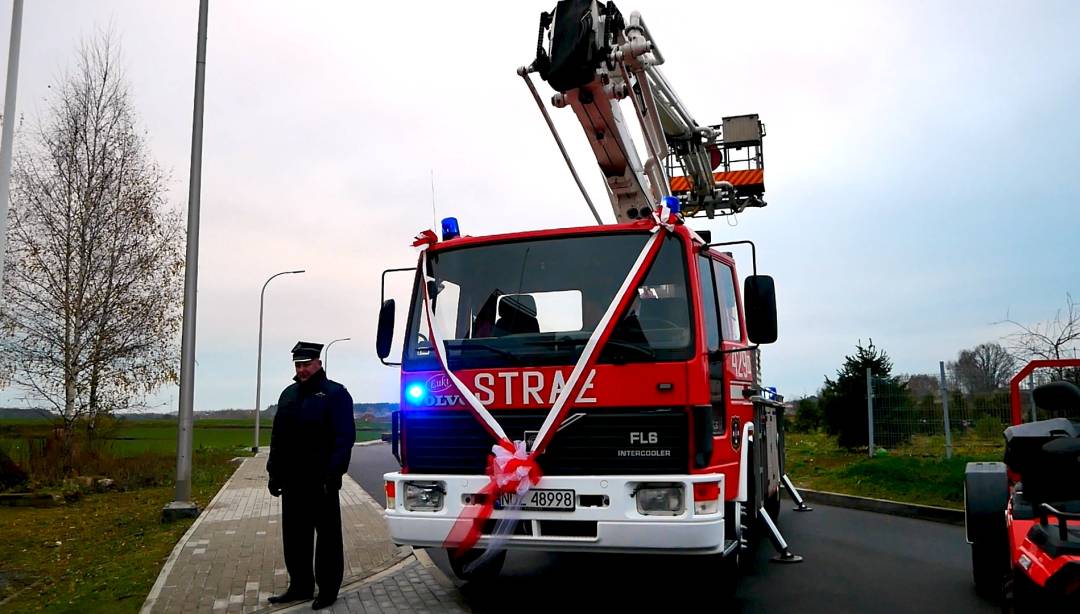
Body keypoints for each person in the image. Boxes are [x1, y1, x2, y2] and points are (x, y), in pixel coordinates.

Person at [266, 341, 356, 610]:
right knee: (295, 537)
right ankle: (300, 586)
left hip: (322, 481)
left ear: (318, 363)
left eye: (306, 364)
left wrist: (334, 473)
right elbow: (277, 438)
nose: (302, 369)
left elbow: (344, 438)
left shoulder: (335, 394)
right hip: (292, 480)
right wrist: (274, 472)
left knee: (327, 538)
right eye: (298, 365)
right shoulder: (288, 395)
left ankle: (328, 589)